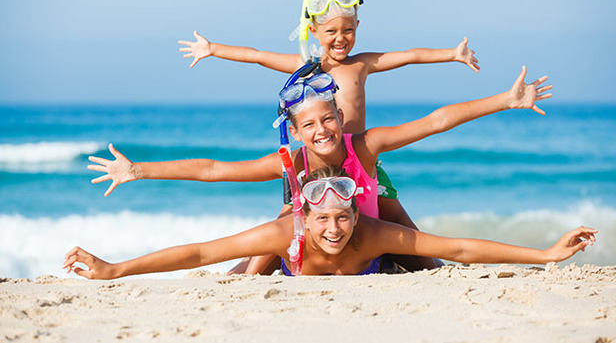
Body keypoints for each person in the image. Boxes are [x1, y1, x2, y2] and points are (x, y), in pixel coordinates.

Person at [88, 67, 551, 271]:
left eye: (328, 119)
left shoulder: (362, 148)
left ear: (339, 117)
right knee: (273, 231)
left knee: (417, 243)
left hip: (363, 228)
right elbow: (213, 169)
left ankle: (422, 268)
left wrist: (505, 100)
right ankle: (240, 281)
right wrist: (139, 170)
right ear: (294, 131)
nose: (322, 130)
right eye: (308, 124)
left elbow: (434, 122)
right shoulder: (290, 163)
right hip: (315, 234)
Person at [177, 0, 479, 247]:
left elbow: (409, 56)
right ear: (314, 31)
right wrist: (213, 48)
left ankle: (430, 262)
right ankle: (248, 270)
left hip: (359, 159)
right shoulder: (305, 66)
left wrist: (452, 54)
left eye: (348, 30)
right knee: (287, 218)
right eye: (331, 31)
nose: (340, 38)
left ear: (357, 26)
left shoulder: (361, 63)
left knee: (395, 214)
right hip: (318, 161)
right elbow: (257, 56)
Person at [66, 166, 597, 279]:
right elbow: (202, 252)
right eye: (323, 219)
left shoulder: (372, 234)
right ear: (305, 214)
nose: (335, 230)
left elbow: (458, 248)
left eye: (343, 217)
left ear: (355, 213)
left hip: (380, 270)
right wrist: (114, 269)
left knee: (429, 262)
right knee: (237, 270)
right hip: (284, 266)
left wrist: (545, 254)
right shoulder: (287, 234)